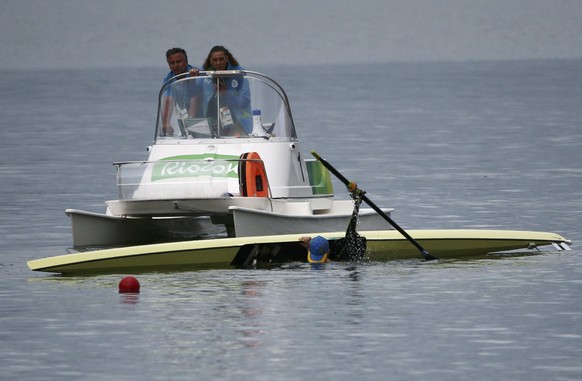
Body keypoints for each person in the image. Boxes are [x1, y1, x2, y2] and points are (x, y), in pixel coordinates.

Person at [202, 45, 252, 135]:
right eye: (215, 60)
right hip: (212, 117)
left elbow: (245, 102)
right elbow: (194, 90)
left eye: (221, 59)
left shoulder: (239, 73)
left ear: (227, 58)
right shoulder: (204, 74)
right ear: (210, 61)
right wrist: (192, 75)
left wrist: (225, 94)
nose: (218, 63)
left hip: (237, 119)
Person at [161, 47, 201, 136]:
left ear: (186, 62)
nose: (176, 65)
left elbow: (196, 97)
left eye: (179, 62)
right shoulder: (169, 79)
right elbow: (168, 99)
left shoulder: (198, 75)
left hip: (204, 114)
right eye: (172, 63)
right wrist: (166, 122)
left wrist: (190, 122)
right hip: (185, 117)